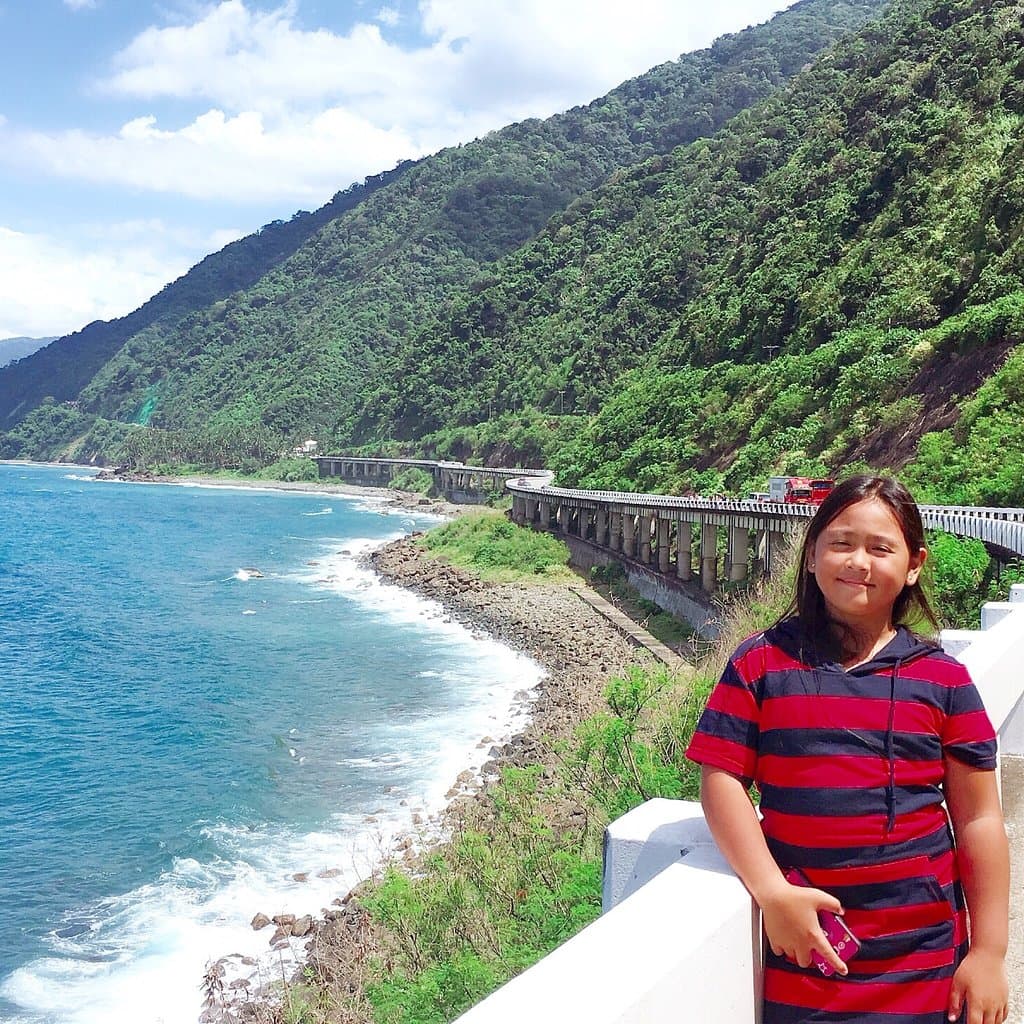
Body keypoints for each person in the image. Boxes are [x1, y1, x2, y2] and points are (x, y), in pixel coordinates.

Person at [686, 475, 1010, 1024]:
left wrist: (988, 953)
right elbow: (721, 780)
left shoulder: (943, 679)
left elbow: (979, 818)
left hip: (927, 964)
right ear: (812, 554)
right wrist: (771, 892)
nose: (858, 561)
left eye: (881, 548)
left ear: (913, 565)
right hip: (809, 961)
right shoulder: (759, 665)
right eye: (841, 543)